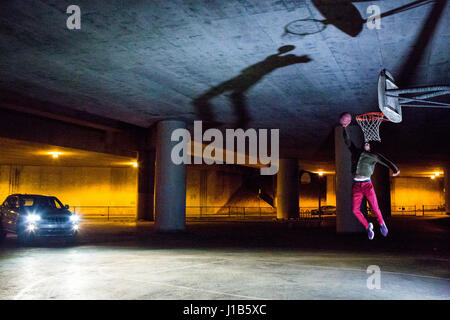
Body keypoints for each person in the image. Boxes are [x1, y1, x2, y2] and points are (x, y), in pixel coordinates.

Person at [339, 112, 400, 240]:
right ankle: (368, 227)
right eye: (365, 143)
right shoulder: (356, 151)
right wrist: (344, 128)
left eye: (368, 143)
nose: (366, 143)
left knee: (374, 207)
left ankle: (382, 224)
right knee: (355, 210)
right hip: (356, 185)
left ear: (370, 147)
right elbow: (347, 141)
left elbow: (386, 162)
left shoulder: (374, 156)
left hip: (367, 184)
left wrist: (395, 169)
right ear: (362, 146)